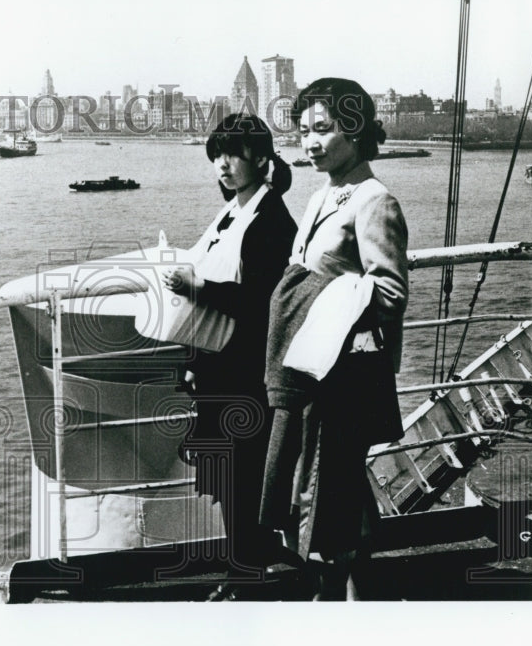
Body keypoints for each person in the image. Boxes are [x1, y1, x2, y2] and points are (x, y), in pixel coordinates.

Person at [259, 77, 409, 600]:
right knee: (320, 489)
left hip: (336, 378)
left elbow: (389, 292)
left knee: (324, 491)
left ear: (356, 130)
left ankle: (337, 602)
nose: (310, 142)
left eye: (322, 129)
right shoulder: (322, 195)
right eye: (303, 131)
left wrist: (325, 301)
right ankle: (351, 595)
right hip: (306, 372)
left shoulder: (373, 200)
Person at [163, 113, 297, 600]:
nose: (222, 164)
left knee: (241, 479)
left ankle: (245, 581)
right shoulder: (235, 212)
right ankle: (246, 570)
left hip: (245, 373)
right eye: (216, 154)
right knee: (230, 477)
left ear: (261, 159)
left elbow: (264, 301)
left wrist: (198, 286)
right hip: (220, 367)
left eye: (233, 154)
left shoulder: (271, 220)